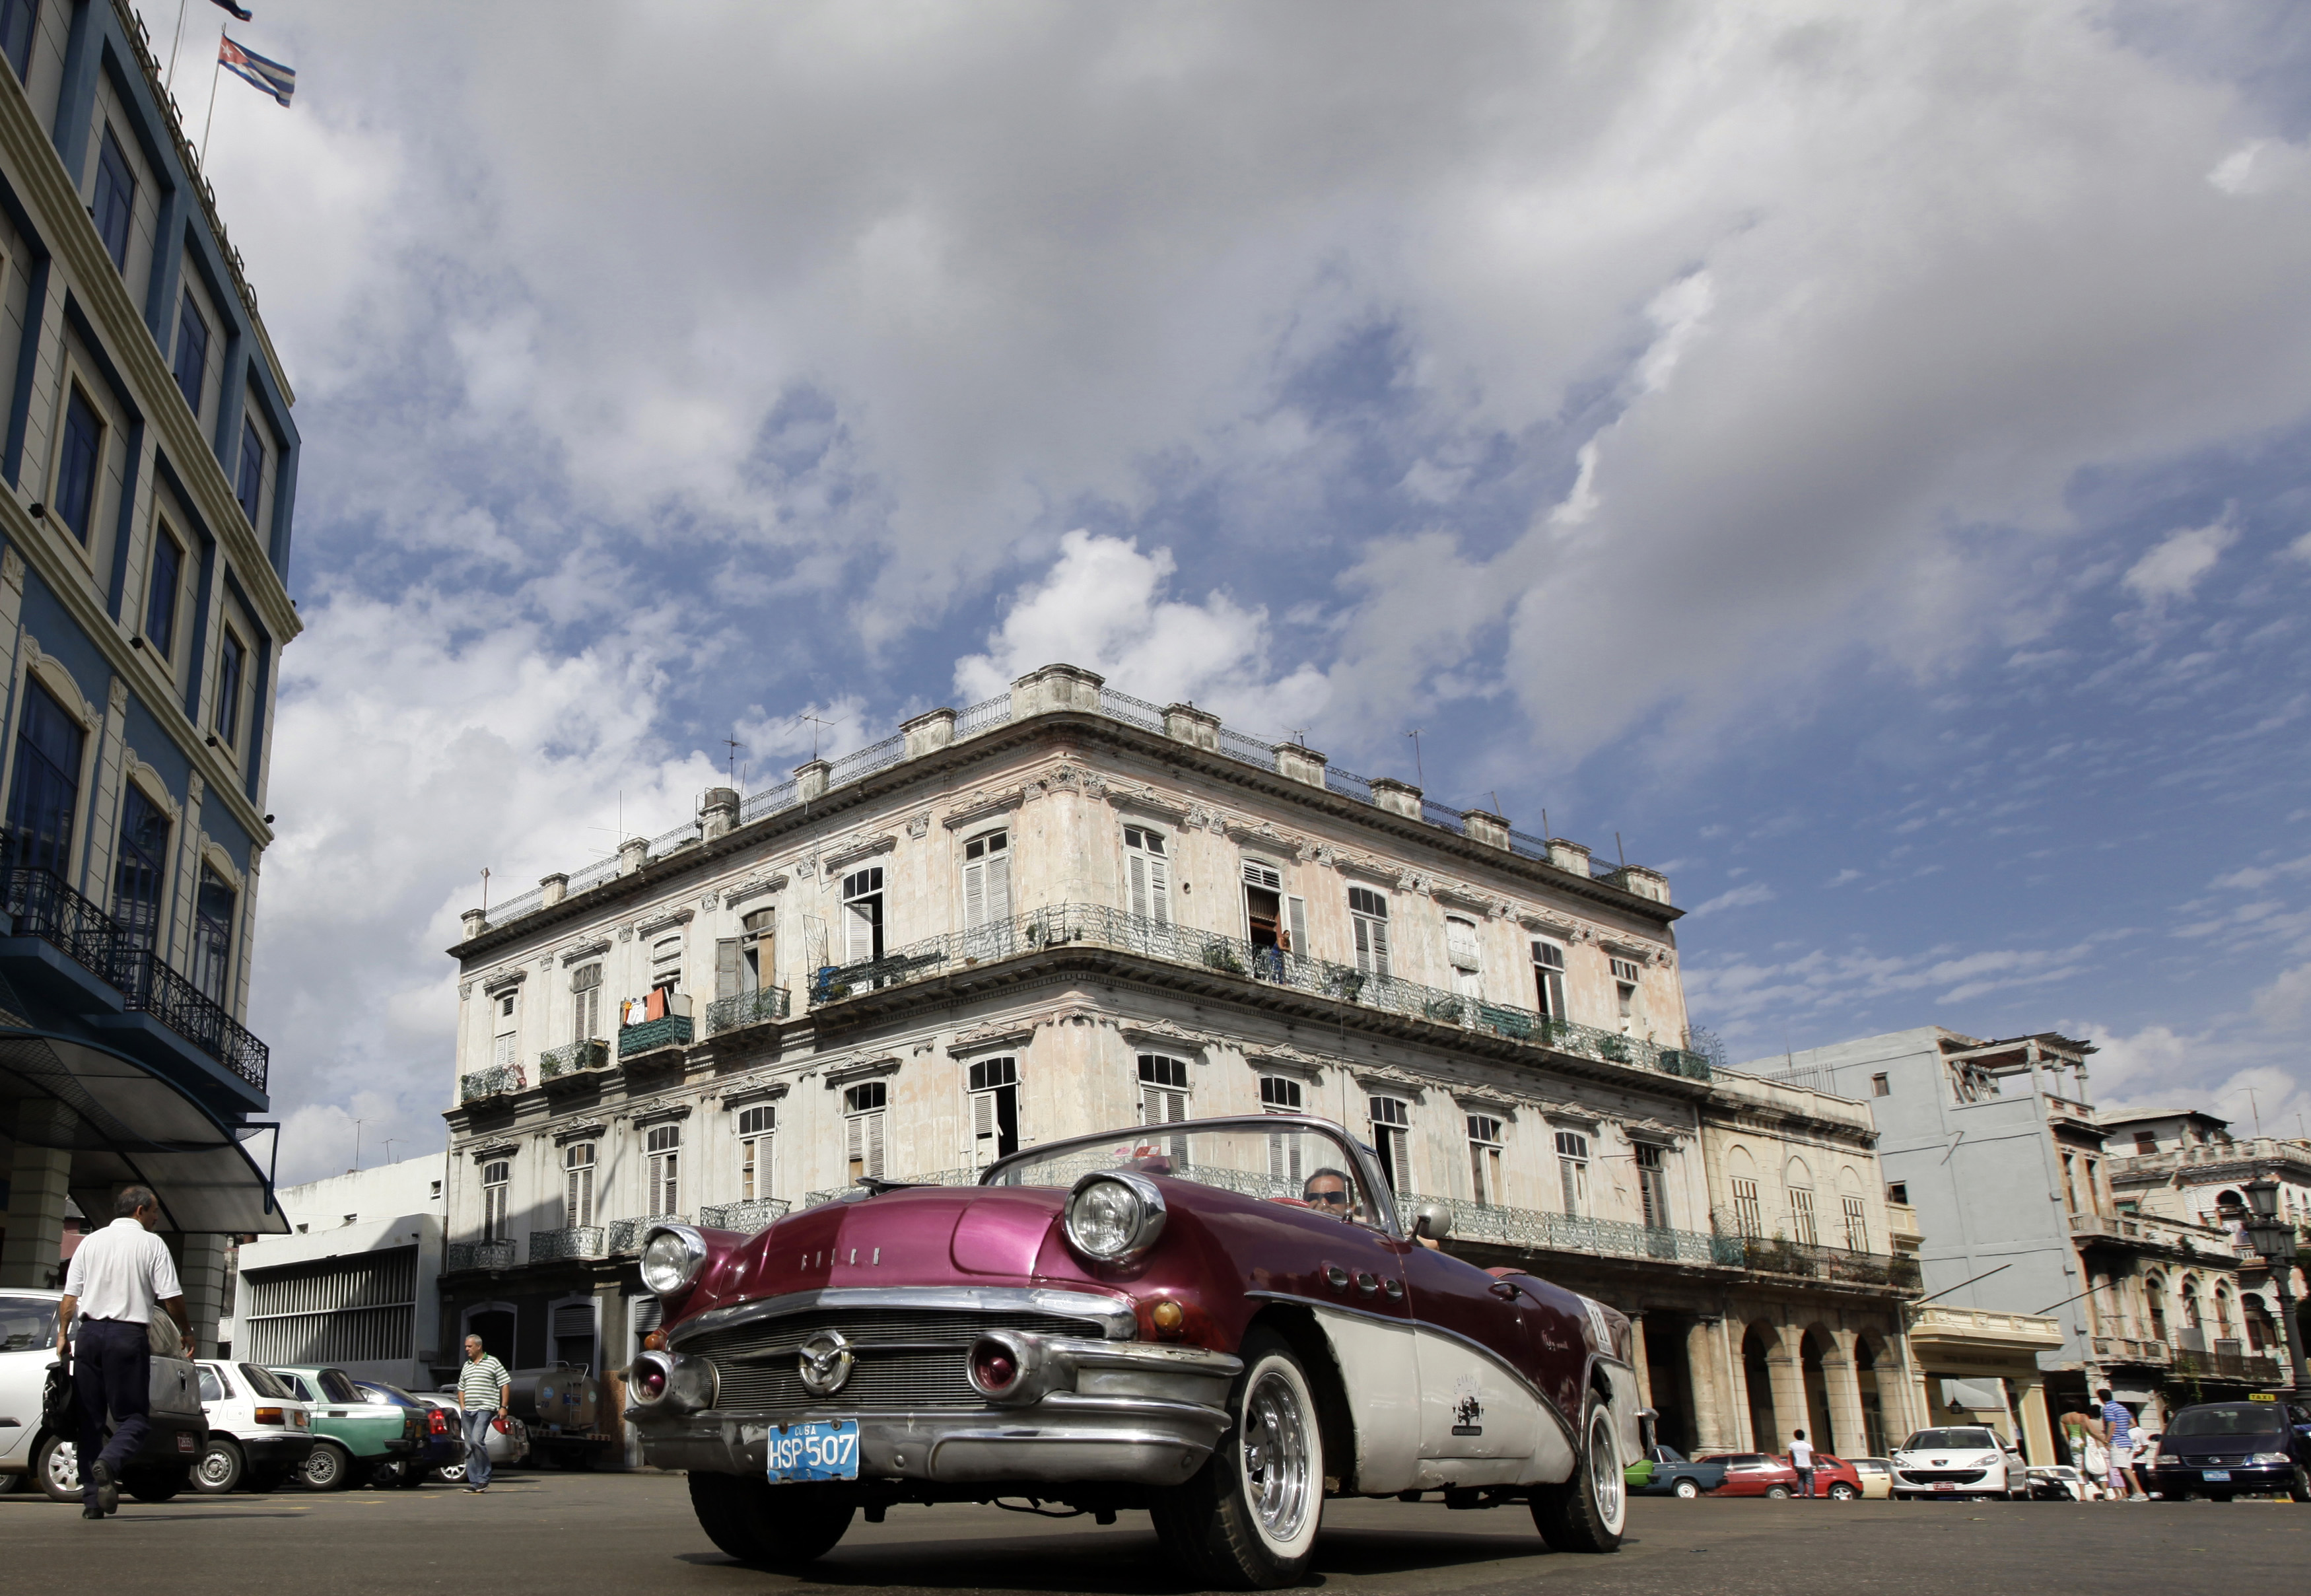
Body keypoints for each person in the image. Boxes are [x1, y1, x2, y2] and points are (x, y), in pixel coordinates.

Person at [52, 1185, 192, 1520]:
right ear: (141, 1210)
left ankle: (92, 1503)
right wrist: (186, 1330)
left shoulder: (91, 1242)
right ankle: (109, 1463)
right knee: (134, 1419)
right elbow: (170, 1297)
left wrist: (62, 1335)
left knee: (90, 1421)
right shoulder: (151, 1244)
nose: (158, 1217)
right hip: (126, 1336)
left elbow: (70, 1298)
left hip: (88, 1336)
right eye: (155, 1211)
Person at [456, 1334, 512, 1492]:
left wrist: (504, 1406)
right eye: (466, 1346)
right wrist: (462, 1407)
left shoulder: (492, 1362)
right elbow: (461, 1388)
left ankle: (484, 1478)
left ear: (479, 1346)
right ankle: (475, 1483)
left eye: (469, 1346)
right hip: (468, 1411)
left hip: (485, 1408)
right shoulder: (467, 1365)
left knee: (476, 1440)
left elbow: (505, 1384)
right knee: (469, 1447)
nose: (466, 1349)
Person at [2097, 1387, 2146, 1501]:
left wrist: (2107, 1440)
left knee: (2124, 1468)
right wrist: (2123, 1429)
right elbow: (2133, 1423)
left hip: (2117, 1442)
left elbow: (2112, 1425)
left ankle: (2140, 1492)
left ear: (2101, 1398)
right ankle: (2134, 1493)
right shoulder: (2122, 1408)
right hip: (2127, 1442)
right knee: (2126, 1468)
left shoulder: (2108, 1408)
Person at [1789, 1427, 1815, 1498]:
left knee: (1801, 1479)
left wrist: (1793, 1466)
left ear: (1795, 1436)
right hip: (1807, 1466)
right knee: (1810, 1482)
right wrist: (1817, 1466)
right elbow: (1813, 1456)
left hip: (1798, 1465)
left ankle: (1801, 1493)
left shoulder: (1792, 1445)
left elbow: (1791, 1456)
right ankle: (1811, 1495)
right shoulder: (1808, 1445)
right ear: (1804, 1436)